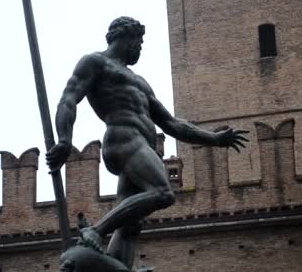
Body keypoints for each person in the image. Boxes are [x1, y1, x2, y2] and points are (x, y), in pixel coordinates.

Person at [46, 16, 248, 269]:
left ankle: (119, 266)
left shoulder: (141, 83)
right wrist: (65, 140)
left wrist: (215, 139)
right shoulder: (95, 62)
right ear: (124, 37)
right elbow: (68, 99)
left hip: (142, 146)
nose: (140, 47)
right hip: (123, 139)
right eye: (138, 41)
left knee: (131, 224)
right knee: (162, 193)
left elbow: (172, 124)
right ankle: (96, 231)